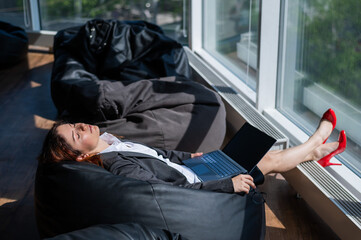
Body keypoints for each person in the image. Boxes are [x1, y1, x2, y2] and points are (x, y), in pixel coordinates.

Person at [38, 109, 346, 194]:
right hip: (200, 185)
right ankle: (315, 144)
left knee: (254, 153)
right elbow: (167, 190)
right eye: (76, 135)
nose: (81, 126)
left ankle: (317, 151)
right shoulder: (118, 165)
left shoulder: (113, 141)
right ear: (80, 156)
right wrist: (226, 184)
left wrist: (192, 157)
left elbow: (163, 157)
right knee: (268, 160)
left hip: (196, 170)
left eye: (74, 124)